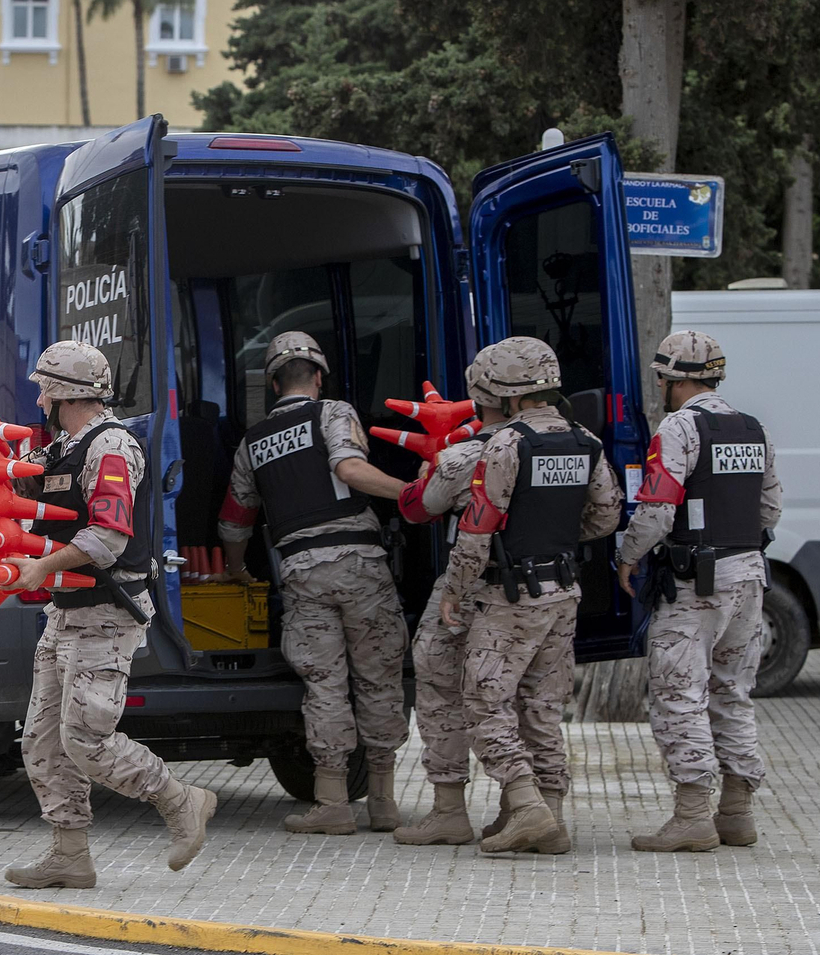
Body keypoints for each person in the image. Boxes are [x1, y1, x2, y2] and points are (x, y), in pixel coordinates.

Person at [0, 341, 215, 889]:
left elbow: (106, 536)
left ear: (61, 393)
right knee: (41, 740)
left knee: (87, 739)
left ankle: (181, 802)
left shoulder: (109, 449)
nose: (36, 397)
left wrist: (40, 566)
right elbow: (24, 495)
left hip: (107, 614)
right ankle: (70, 853)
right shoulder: (65, 448)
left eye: (42, 388)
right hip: (66, 615)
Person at [217, 331, 410, 836]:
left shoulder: (252, 442)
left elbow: (234, 522)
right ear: (318, 377)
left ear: (274, 382)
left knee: (325, 684)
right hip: (361, 567)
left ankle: (332, 803)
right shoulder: (332, 413)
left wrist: (238, 568)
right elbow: (349, 467)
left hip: (301, 572)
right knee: (378, 677)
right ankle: (384, 803)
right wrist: (412, 494)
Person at [433, 337, 622, 854]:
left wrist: (455, 588)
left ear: (502, 393)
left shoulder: (506, 444)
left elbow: (478, 525)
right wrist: (555, 541)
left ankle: (526, 805)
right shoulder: (587, 440)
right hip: (564, 589)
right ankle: (551, 819)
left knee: (483, 700)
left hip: (510, 592)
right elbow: (606, 514)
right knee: (542, 706)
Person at [617, 330, 782, 852]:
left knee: (678, 693)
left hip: (697, 584)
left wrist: (628, 555)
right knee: (731, 691)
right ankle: (735, 813)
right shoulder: (754, 429)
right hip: (749, 576)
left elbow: (658, 508)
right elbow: (771, 509)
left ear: (672, 380)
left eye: (662, 380)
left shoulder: (679, 429)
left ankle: (692, 815)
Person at [389, 346, 507, 846]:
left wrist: (426, 475)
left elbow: (417, 509)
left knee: (436, 676)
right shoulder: (573, 442)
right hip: (547, 586)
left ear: (479, 398)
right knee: (524, 694)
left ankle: (449, 809)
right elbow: (605, 517)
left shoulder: (468, 455)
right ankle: (529, 808)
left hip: (472, 583)